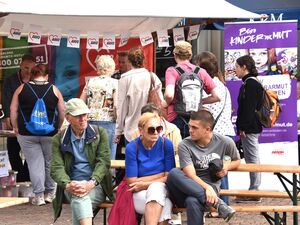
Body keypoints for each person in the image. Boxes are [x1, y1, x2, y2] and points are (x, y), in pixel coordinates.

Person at [166, 110, 241, 225]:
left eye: (194, 128)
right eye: (189, 126)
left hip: (210, 194)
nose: (190, 130)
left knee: (193, 201)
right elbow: (190, 174)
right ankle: (219, 204)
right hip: (185, 191)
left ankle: (216, 203)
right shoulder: (184, 145)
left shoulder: (225, 142)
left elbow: (236, 161)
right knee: (174, 173)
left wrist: (226, 168)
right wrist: (207, 188)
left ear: (208, 129)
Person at [50, 98, 114, 225]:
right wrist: (68, 185)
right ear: (68, 118)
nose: (83, 118)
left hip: (96, 185)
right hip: (71, 186)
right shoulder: (59, 139)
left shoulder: (99, 133)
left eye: (84, 114)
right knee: (80, 196)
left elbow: (104, 162)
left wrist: (91, 183)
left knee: (80, 199)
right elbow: (56, 168)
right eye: (78, 115)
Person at [10, 64, 65, 205]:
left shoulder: (21, 88)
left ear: (32, 75)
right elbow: (62, 111)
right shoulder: (54, 89)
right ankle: (50, 194)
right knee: (50, 163)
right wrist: (58, 127)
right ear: (47, 75)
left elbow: (13, 109)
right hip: (50, 133)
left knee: (35, 164)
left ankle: (39, 196)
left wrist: (15, 126)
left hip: (26, 133)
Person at [195, 51, 236, 208]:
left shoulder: (208, 88)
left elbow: (206, 114)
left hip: (216, 135)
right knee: (222, 171)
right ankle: (223, 203)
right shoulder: (223, 86)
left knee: (216, 172)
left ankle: (219, 205)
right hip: (227, 133)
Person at [126, 112, 176, 225]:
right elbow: (132, 182)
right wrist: (161, 175)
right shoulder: (132, 147)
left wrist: (144, 183)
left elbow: (170, 176)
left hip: (161, 189)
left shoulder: (166, 144)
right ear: (141, 130)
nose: (155, 133)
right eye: (151, 129)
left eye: (158, 129)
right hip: (139, 193)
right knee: (166, 204)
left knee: (156, 188)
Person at [164, 41, 220, 139]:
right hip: (196, 118)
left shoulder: (172, 70)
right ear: (190, 55)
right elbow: (217, 96)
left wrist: (165, 103)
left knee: (176, 150)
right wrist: (199, 101)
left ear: (174, 54)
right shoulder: (201, 71)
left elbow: (169, 95)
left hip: (175, 116)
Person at [115, 47, 164, 144]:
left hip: (132, 130)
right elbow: (160, 102)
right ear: (143, 60)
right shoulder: (152, 76)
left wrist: (118, 130)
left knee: (133, 158)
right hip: (153, 127)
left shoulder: (125, 79)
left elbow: (121, 107)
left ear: (129, 61)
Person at [2, 54, 35, 182]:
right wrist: (7, 117)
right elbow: (5, 99)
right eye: (26, 68)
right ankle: (21, 178)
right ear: (20, 66)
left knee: (30, 153)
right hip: (14, 123)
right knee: (13, 152)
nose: (28, 71)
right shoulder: (10, 80)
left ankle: (25, 178)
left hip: (30, 124)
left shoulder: (35, 81)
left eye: (31, 69)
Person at [235, 55, 263, 201]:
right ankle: (254, 189)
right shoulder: (250, 82)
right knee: (252, 157)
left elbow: (249, 108)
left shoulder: (250, 84)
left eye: (237, 67)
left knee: (252, 158)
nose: (235, 70)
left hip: (250, 127)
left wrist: (242, 127)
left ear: (244, 67)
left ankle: (254, 190)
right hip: (251, 126)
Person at [80, 55, 118, 159]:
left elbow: (81, 102)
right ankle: (108, 175)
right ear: (111, 68)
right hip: (108, 121)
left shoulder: (90, 82)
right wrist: (117, 120)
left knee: (92, 153)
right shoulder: (115, 83)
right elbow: (116, 105)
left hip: (91, 121)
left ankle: (93, 174)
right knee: (108, 154)